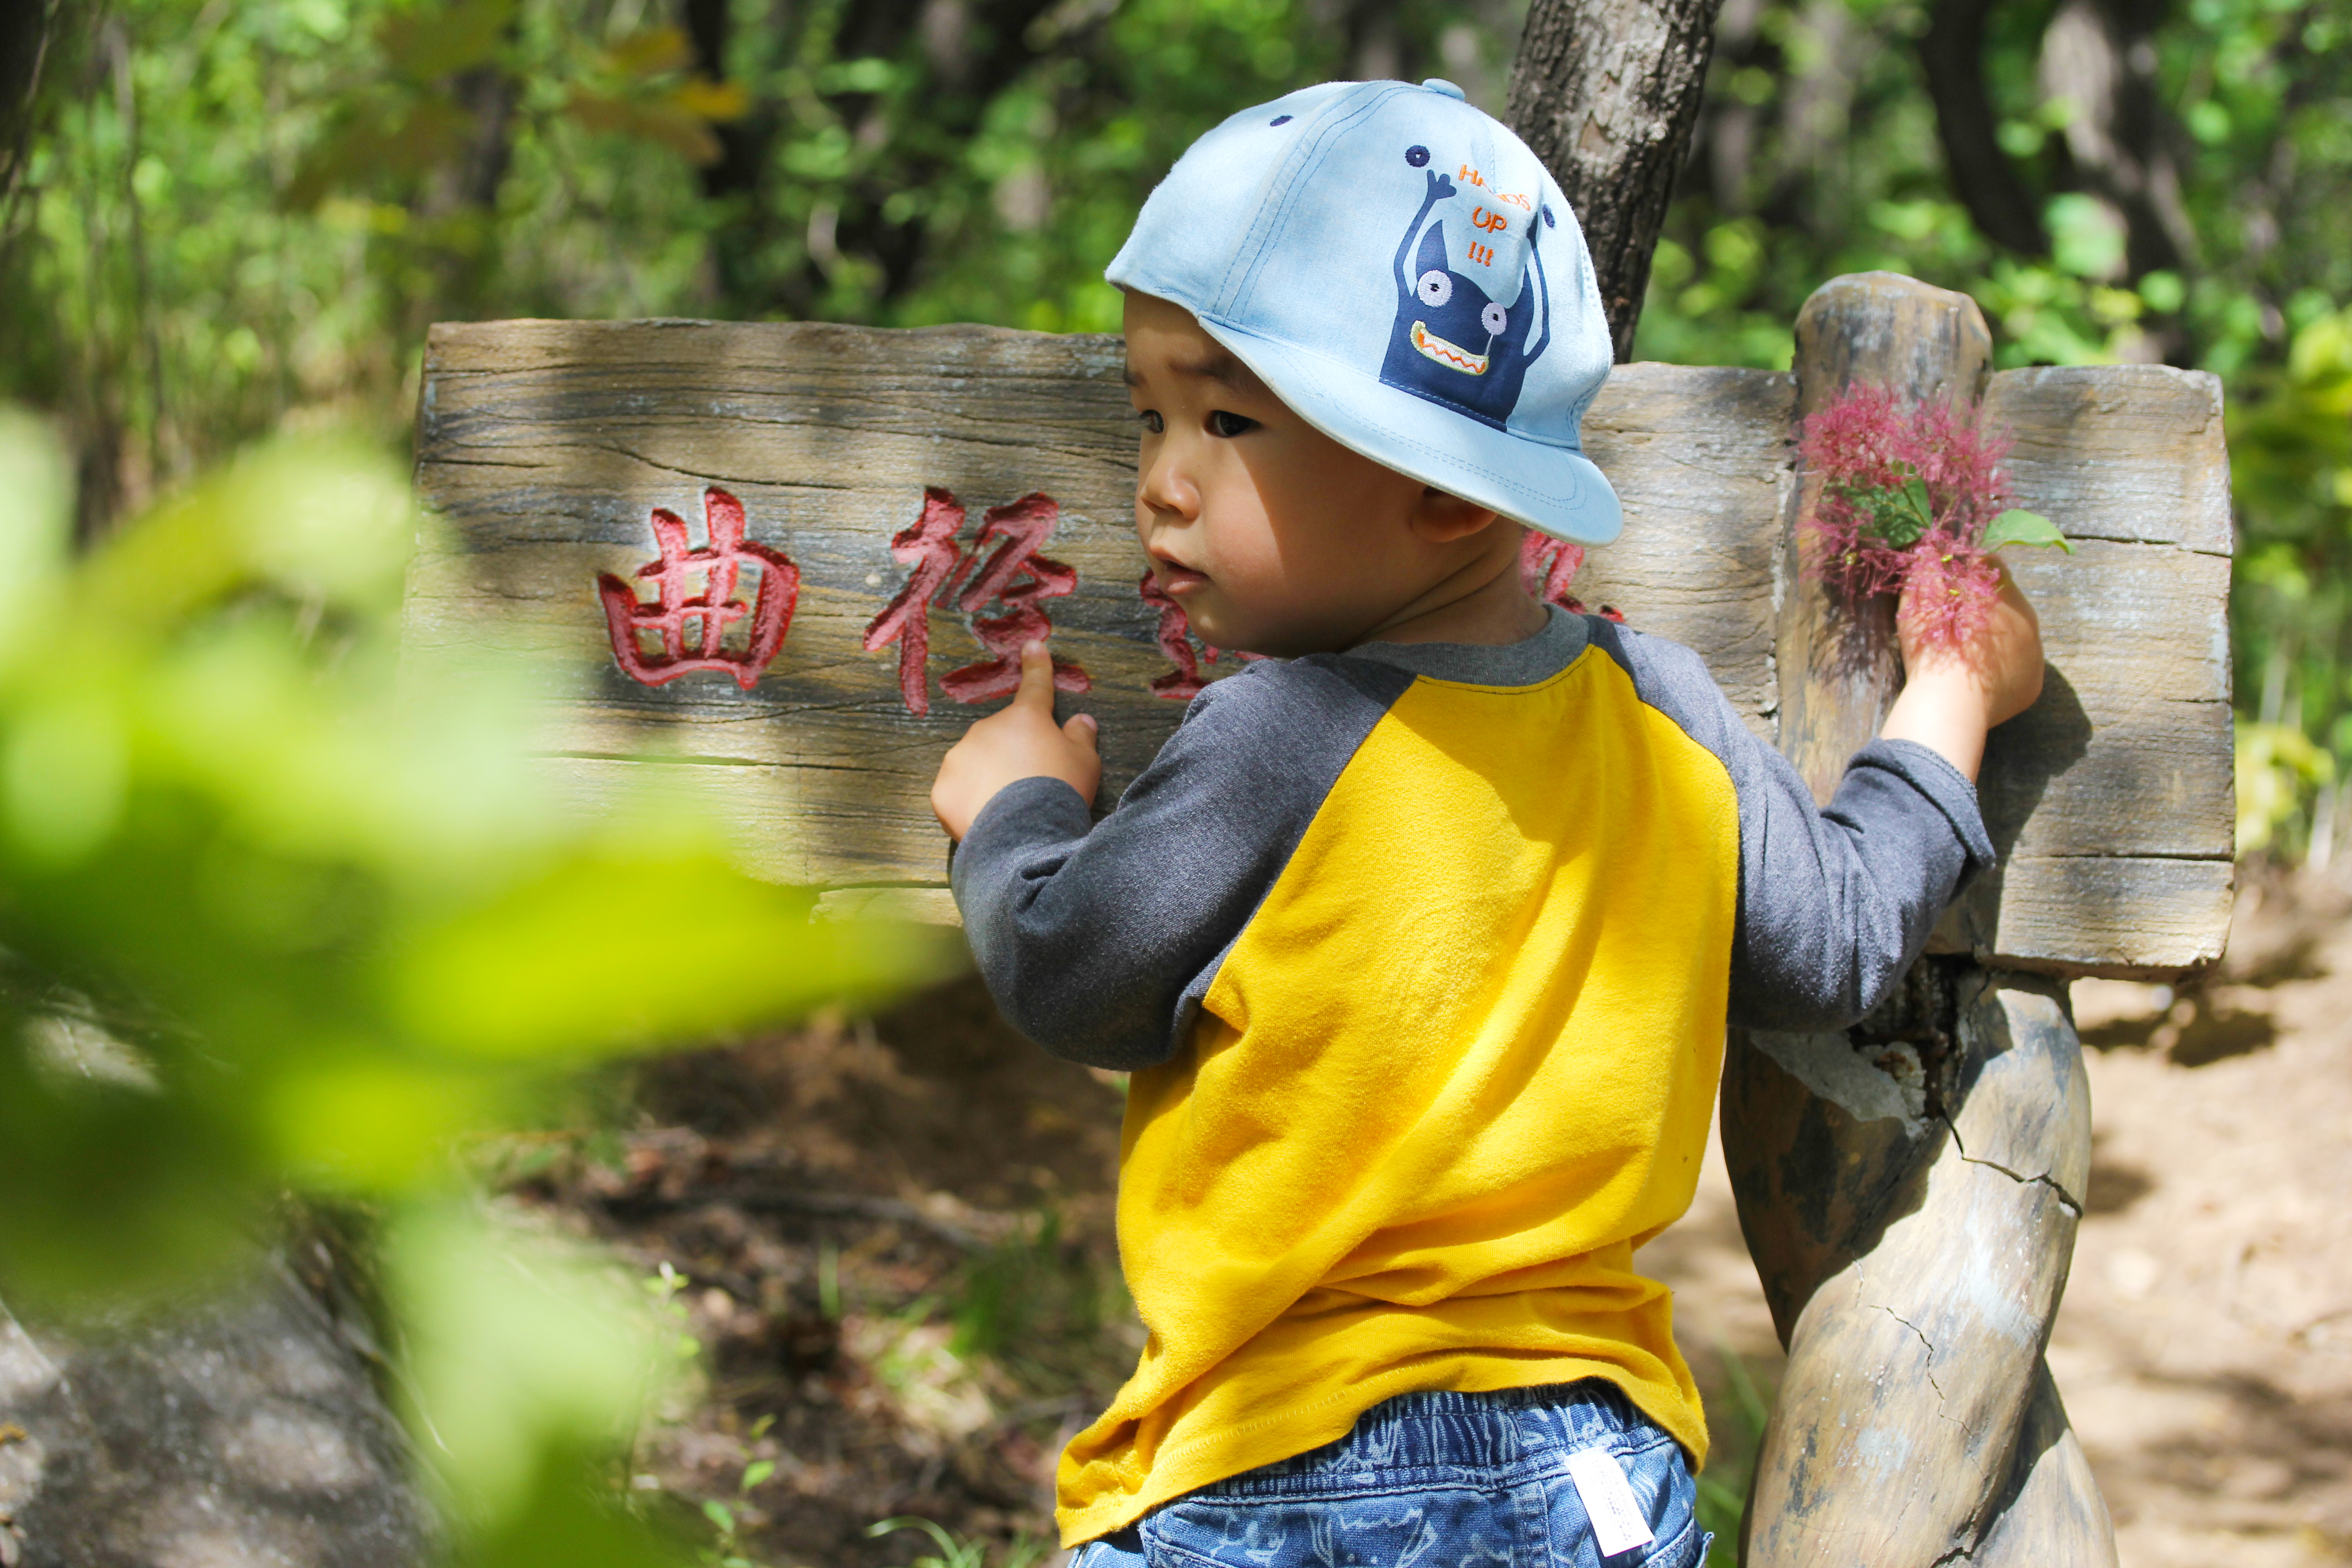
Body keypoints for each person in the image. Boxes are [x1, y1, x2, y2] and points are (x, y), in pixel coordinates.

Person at [928, 78, 2043, 1568]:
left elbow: (1075, 971)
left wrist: (1008, 810)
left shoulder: (1281, 733)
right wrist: (1954, 697)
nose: (1160, 487)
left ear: (1449, 497)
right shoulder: (1665, 712)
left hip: (1277, 1461)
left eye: (1227, 418)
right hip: (1593, 1476)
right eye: (1149, 416)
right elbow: (1835, 940)